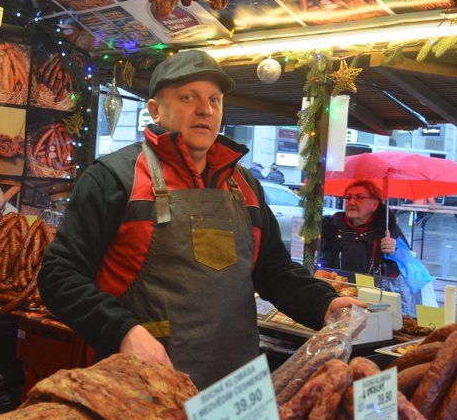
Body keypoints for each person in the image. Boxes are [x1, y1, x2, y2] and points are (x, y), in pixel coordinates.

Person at [38, 50, 360, 388]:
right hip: (145, 384)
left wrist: (325, 303)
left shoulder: (245, 185)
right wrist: (122, 331)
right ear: (155, 110)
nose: (205, 109)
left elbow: (274, 271)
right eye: (188, 97)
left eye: (215, 100)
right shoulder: (114, 178)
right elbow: (60, 276)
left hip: (237, 388)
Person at [319, 180, 416, 315]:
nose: (352, 202)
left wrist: (396, 252)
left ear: (375, 205)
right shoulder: (332, 227)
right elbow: (322, 265)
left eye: (359, 197)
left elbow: (408, 269)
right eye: (348, 197)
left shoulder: (387, 229)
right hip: (338, 299)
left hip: (374, 302)